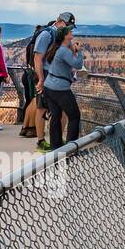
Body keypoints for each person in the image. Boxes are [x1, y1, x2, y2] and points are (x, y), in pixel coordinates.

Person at [30, 11, 73, 151]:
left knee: (64, 109)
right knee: (42, 108)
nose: (69, 29)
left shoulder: (63, 37)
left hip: (59, 77)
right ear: (60, 22)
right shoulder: (46, 35)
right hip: (46, 75)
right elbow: (37, 58)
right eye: (68, 25)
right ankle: (41, 141)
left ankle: (57, 140)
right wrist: (41, 79)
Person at [41, 26, 83, 151]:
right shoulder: (63, 51)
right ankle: (71, 147)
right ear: (65, 36)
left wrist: (73, 50)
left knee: (56, 116)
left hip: (49, 87)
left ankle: (56, 147)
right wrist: (79, 51)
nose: (72, 33)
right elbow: (78, 65)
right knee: (74, 115)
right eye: (70, 32)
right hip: (60, 89)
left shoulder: (57, 49)